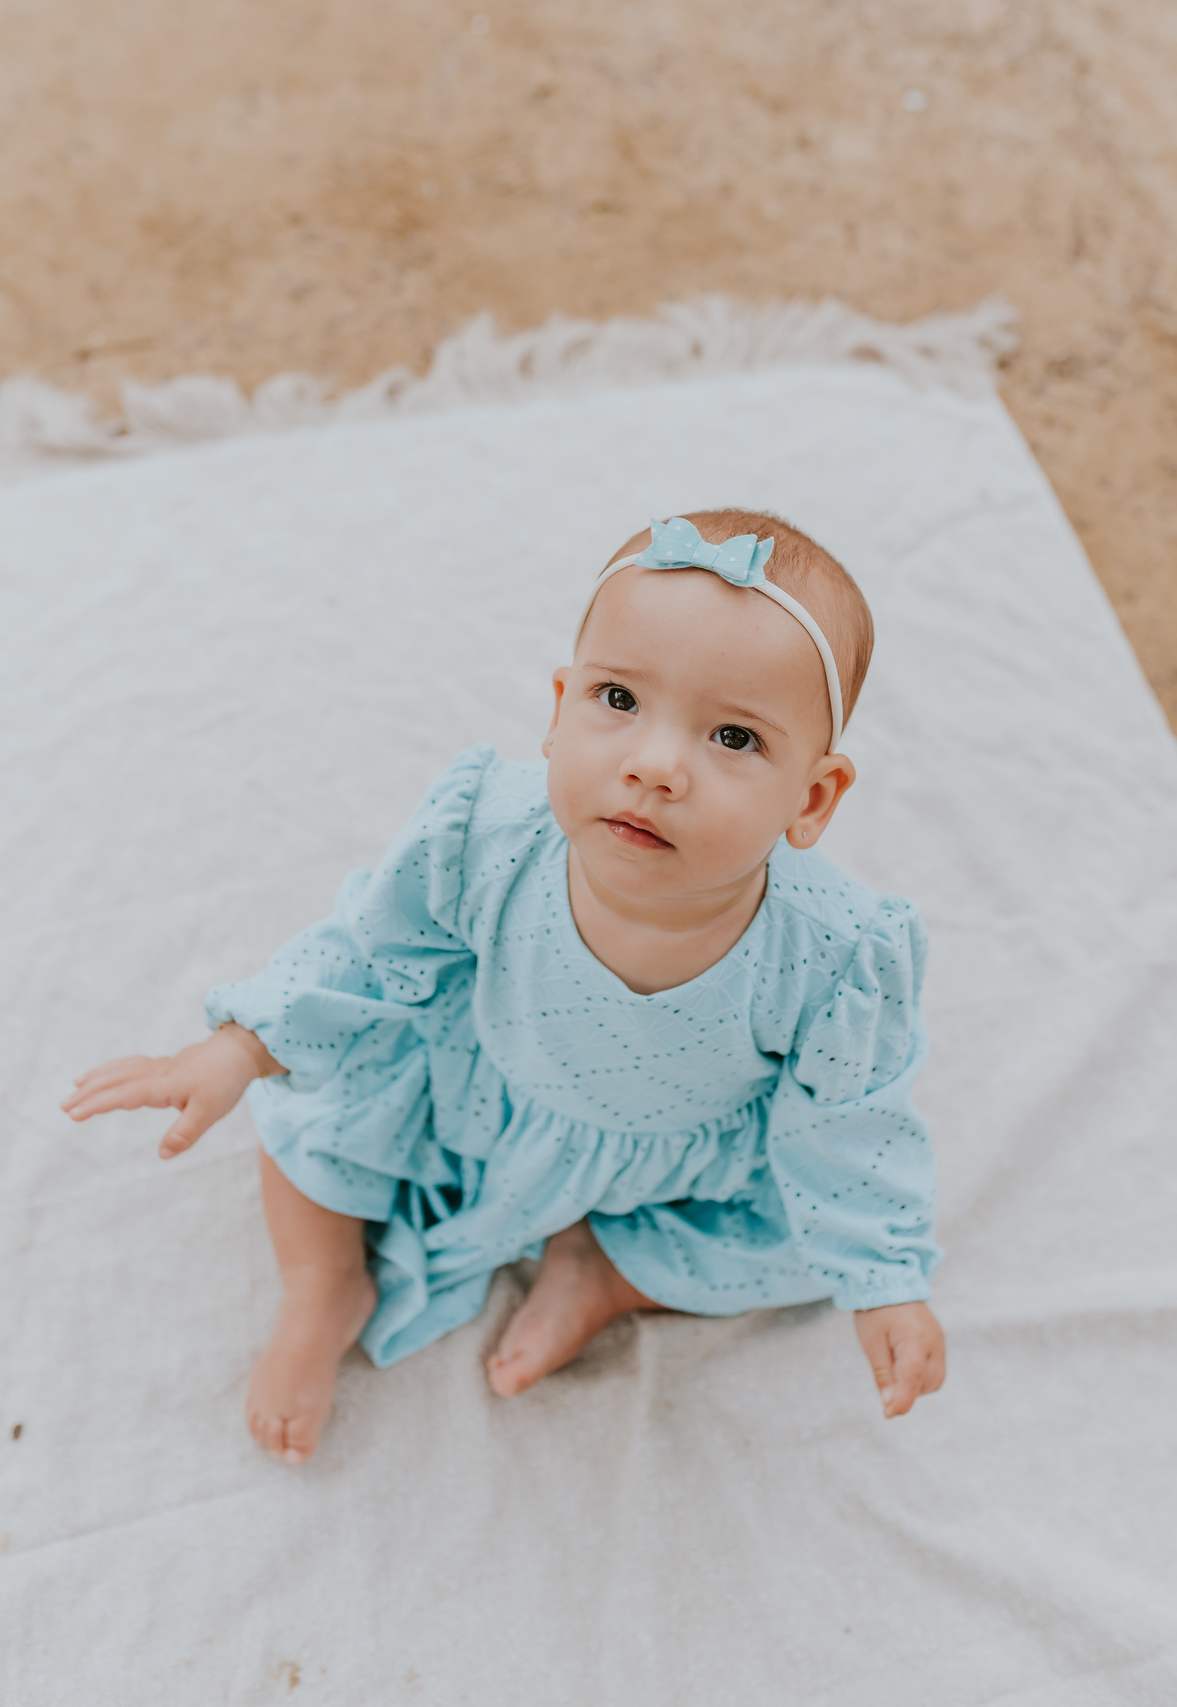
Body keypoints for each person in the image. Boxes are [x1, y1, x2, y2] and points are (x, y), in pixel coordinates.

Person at [63, 511, 946, 1464]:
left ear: (812, 798)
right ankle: (324, 1286)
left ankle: (606, 1269)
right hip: (476, 1084)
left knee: (814, 1247)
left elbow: (845, 1118)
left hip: (675, 1155)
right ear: (559, 706)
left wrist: (885, 1284)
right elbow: (369, 946)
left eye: (733, 736)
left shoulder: (835, 953)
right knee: (308, 1116)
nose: (654, 764)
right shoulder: (492, 831)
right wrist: (238, 1047)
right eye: (617, 699)